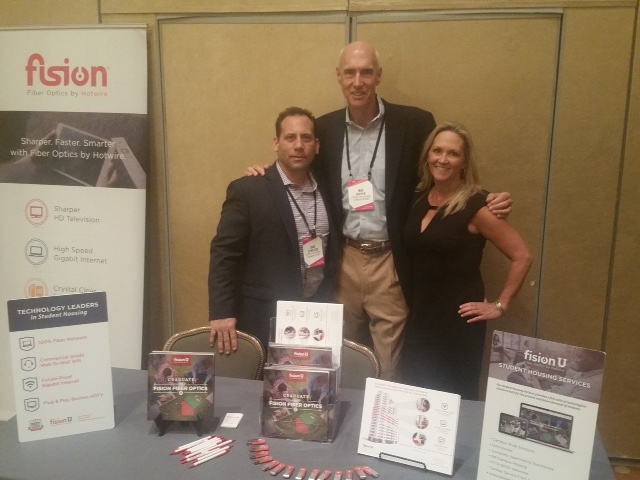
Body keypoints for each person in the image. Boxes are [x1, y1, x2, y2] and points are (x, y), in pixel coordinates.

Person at [248, 41, 513, 381]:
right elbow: (297, 162)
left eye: (366, 73)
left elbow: (440, 171)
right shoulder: (325, 128)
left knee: (389, 362)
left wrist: (483, 199)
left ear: (379, 76)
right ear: (339, 76)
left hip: (390, 259)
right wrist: (266, 175)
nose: (358, 82)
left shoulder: (414, 123)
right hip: (343, 258)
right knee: (335, 351)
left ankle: (382, 412)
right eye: (350, 73)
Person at [401, 122, 533, 400]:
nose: (443, 159)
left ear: (464, 161)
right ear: (428, 155)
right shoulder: (418, 198)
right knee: (415, 395)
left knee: (454, 397)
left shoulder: (477, 205)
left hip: (458, 323)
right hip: (420, 318)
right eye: (437, 150)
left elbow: (522, 256)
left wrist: (500, 305)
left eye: (453, 153)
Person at [208, 107, 339, 352]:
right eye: (290, 138)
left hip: (316, 314)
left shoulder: (329, 189)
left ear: (317, 146)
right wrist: (222, 312)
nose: (298, 145)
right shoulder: (249, 190)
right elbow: (225, 254)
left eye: (306, 138)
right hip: (263, 315)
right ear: (276, 143)